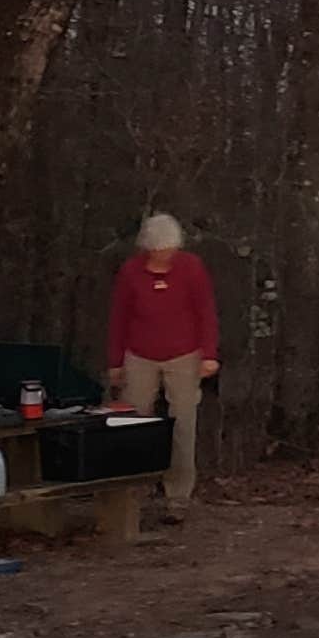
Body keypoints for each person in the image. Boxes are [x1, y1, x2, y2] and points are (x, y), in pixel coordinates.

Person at [105, 213, 218, 507]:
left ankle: (177, 494)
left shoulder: (191, 268)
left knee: (182, 422)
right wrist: (116, 361)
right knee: (132, 421)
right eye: (158, 250)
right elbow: (119, 317)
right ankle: (132, 490)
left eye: (169, 249)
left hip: (184, 354)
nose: (164, 255)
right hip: (139, 355)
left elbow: (205, 311)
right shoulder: (131, 272)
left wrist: (209, 354)